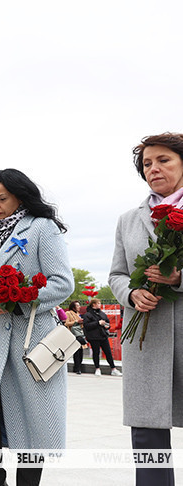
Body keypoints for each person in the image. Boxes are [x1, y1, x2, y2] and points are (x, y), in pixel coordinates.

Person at [0, 169, 74, 486]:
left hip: (31, 343)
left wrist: (17, 300)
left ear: (20, 197)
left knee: (34, 426)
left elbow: (63, 283)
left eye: (2, 198)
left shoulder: (42, 228)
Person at [109, 132, 183, 486]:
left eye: (163, 160)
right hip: (146, 339)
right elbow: (117, 274)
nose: (153, 168)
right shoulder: (128, 219)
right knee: (147, 438)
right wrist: (132, 293)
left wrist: (178, 278)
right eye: (147, 163)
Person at [82, 299, 121, 377]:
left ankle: (113, 369)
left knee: (108, 352)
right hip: (93, 337)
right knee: (96, 353)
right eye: (98, 303)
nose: (100, 304)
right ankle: (97, 369)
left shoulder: (102, 313)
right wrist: (98, 323)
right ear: (93, 304)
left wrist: (107, 326)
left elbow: (107, 323)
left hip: (103, 336)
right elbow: (86, 326)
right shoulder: (87, 315)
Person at [64, 301, 86, 374]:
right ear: (73, 307)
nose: (79, 307)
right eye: (77, 306)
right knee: (76, 351)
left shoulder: (78, 314)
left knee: (80, 351)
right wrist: (76, 321)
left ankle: (77, 367)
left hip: (80, 334)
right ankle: (77, 368)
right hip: (73, 334)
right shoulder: (68, 313)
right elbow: (66, 323)